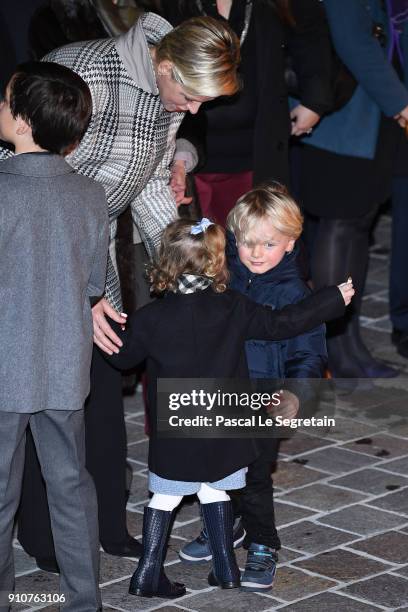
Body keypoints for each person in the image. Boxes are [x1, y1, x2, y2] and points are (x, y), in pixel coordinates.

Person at [3, 12, 242, 571]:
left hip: (93, 255)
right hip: (32, 264)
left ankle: (104, 524)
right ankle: (46, 540)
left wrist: (198, 263)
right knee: (41, 396)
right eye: (190, 95)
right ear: (162, 65)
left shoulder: (165, 99)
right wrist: (74, 294)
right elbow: (19, 175)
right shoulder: (82, 71)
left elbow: (152, 188)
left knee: (101, 391)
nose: (194, 111)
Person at [98, 216, 353, 598]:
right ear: (218, 263)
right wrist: (329, 299)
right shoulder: (233, 306)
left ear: (163, 262)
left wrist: (103, 327)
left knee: (166, 496)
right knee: (217, 490)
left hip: (178, 423)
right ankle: (226, 570)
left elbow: (122, 359)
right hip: (223, 423)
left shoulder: (150, 318)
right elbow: (282, 324)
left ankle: (148, 574)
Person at [179, 184, 327, 591]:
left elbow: (309, 353)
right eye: (246, 243)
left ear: (291, 243)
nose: (256, 253)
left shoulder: (296, 295)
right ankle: (223, 527)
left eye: (268, 243)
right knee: (214, 469)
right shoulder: (222, 280)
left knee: (255, 476)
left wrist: (295, 394)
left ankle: (263, 542)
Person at [0, 61, 109, 612]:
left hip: (2, 370)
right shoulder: (91, 196)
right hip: (66, 365)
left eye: (4, 100)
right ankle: (84, 599)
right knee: (71, 484)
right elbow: (93, 282)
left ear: (21, 121)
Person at [291, 0, 408, 382]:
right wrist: (402, 103)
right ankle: (333, 347)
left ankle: (349, 343)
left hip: (370, 118)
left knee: (356, 226)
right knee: (342, 227)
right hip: (345, 119)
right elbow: (351, 40)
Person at [158, 0, 333, 225]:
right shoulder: (174, 6)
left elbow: (310, 35)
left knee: (256, 242)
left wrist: (315, 99)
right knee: (198, 249)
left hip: (258, 148)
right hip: (190, 149)